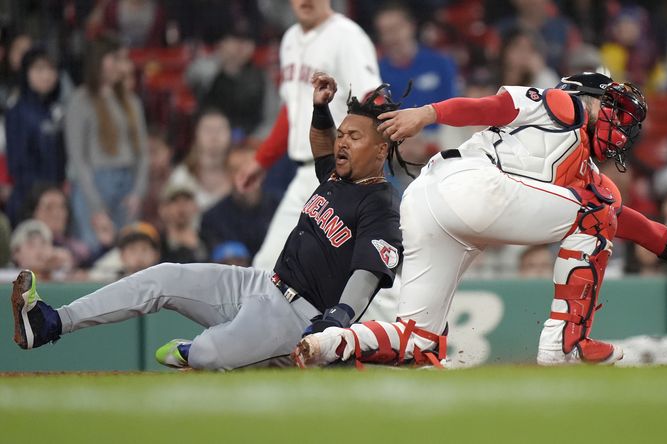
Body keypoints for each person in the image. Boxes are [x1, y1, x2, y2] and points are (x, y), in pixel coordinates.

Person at [294, 72, 667, 368]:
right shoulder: (564, 107)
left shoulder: (594, 184)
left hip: (431, 203)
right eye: (616, 113)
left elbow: (641, 229)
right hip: (468, 184)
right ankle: (565, 343)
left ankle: (327, 343)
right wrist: (429, 113)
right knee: (597, 211)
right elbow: (493, 107)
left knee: (419, 343)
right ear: (589, 97)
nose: (621, 127)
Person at [10, 73, 403, 372]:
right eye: (343, 134)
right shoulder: (337, 175)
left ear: (381, 149)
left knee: (208, 353)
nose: (342, 142)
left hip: (299, 317)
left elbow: (367, 274)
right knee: (161, 276)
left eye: (354, 136)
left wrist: (336, 322)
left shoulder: (381, 205)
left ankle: (202, 354)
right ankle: (51, 322)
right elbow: (321, 146)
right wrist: (320, 109)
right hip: (262, 283)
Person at [236, 0, 382, 271]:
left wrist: (363, 164)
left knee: (365, 266)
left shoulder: (347, 35)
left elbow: (372, 99)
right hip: (307, 174)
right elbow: (292, 108)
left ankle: (407, 315)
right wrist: (262, 160)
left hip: (344, 173)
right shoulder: (290, 39)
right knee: (267, 264)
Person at [65, 35, 148, 253]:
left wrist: (138, 192)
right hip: (94, 182)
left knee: (128, 251)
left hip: (126, 182)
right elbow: (78, 158)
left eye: (125, 60)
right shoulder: (80, 100)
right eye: (116, 59)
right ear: (99, 60)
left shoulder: (131, 101)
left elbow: (142, 152)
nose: (123, 66)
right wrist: (95, 206)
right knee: (94, 249)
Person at [4, 48, 66, 226]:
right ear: (26, 72)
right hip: (29, 201)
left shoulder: (56, 109)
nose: (46, 75)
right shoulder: (17, 111)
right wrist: (41, 199)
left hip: (55, 197)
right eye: (39, 69)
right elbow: (17, 163)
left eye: (51, 69)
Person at [200, 146, 279, 255]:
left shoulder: (281, 208)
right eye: (236, 170)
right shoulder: (212, 219)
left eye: (249, 169)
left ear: (262, 172)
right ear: (227, 174)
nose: (244, 176)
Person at [166, 109, 232, 213]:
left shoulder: (240, 176)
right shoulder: (181, 176)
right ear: (196, 135)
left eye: (220, 130)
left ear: (230, 135)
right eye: (208, 130)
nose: (214, 136)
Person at [158, 185, 206, 263]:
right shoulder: (156, 242)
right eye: (174, 201)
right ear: (163, 209)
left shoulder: (207, 240)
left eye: (187, 200)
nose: (181, 206)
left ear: (196, 207)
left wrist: (196, 247)